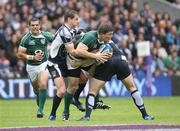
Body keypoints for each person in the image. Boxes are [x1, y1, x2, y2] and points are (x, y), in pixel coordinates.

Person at [79, 41, 155, 121]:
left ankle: (87, 117)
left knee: (92, 91)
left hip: (107, 63)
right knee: (132, 88)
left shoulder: (94, 40)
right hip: (121, 60)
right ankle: (145, 115)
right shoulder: (110, 41)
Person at [62, 24, 114, 121]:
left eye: (111, 34)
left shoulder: (105, 41)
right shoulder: (91, 37)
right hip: (74, 60)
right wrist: (96, 56)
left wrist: (108, 54)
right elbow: (77, 51)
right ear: (102, 34)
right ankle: (66, 111)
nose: (110, 37)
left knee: (93, 77)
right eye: (109, 34)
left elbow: (107, 51)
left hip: (86, 60)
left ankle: (95, 101)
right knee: (73, 86)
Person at [17, 18, 54, 118]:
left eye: (37, 25)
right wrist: (32, 57)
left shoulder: (47, 35)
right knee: (36, 89)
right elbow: (19, 54)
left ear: (40, 25)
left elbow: (57, 43)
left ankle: (40, 110)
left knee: (43, 84)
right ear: (29, 27)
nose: (35, 27)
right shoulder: (26, 39)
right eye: (33, 25)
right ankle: (38, 95)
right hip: (31, 66)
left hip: (44, 63)